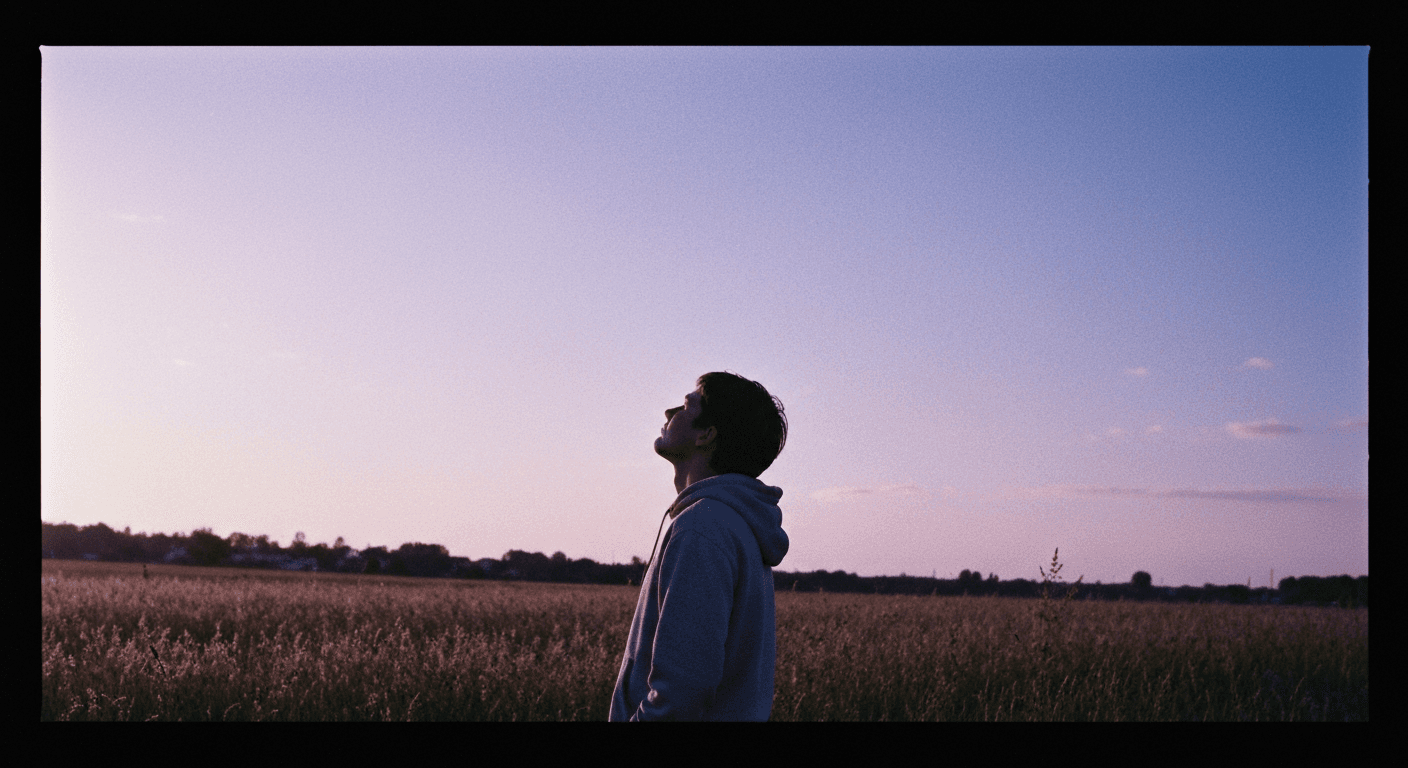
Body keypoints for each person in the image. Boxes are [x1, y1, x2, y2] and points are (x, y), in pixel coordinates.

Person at [609, 371, 790, 721]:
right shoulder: (734, 524)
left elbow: (680, 695)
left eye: (687, 405)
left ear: (707, 435)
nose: (668, 411)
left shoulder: (703, 527)